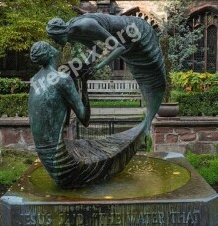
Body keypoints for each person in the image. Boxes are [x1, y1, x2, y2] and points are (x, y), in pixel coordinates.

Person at [28, 41, 141, 188]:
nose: (54, 48)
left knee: (92, 146)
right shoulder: (61, 79)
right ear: (49, 54)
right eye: (50, 47)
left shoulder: (36, 80)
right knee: (104, 152)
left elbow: (63, 118)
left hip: (47, 160)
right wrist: (84, 83)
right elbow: (85, 119)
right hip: (63, 164)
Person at [46, 13, 166, 130]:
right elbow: (97, 50)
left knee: (152, 76)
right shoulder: (73, 33)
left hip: (136, 31)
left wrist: (99, 66)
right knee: (144, 76)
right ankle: (146, 126)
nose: (55, 42)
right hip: (124, 37)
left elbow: (119, 47)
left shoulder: (85, 25)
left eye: (54, 39)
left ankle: (147, 123)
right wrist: (86, 66)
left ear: (60, 32)